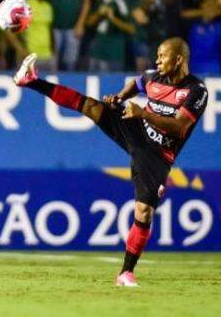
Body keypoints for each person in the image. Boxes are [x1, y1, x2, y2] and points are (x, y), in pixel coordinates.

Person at [14, 37, 208, 286]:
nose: (157, 60)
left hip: (158, 153)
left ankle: (125, 272)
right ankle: (31, 80)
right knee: (91, 106)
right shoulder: (152, 77)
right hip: (137, 130)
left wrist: (143, 112)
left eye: (163, 55)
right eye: (157, 55)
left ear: (178, 59)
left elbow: (180, 127)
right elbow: (135, 84)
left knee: (144, 212)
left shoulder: (196, 91)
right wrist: (119, 97)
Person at [85, 0, 135, 72]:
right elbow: (89, 23)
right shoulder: (100, 0)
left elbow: (131, 29)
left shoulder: (121, 2)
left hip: (113, 50)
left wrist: (113, 18)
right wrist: (98, 14)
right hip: (97, 47)